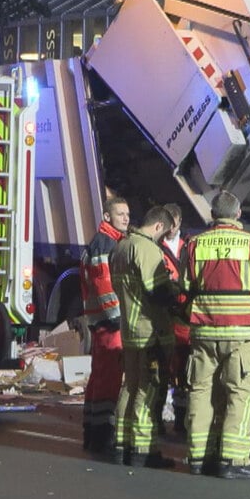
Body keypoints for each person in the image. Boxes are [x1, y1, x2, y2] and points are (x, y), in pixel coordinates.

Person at [181, 190, 250, 480]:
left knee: (201, 392)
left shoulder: (194, 244)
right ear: (238, 214)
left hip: (203, 329)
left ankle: (198, 456)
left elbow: (185, 286)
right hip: (241, 332)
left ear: (213, 215)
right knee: (239, 393)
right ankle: (234, 459)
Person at [111, 206, 180, 467]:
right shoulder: (148, 248)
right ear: (159, 227)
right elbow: (158, 292)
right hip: (150, 331)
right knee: (148, 389)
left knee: (129, 387)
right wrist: (177, 291)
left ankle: (122, 443)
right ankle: (142, 449)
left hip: (129, 330)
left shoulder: (120, 247)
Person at [80, 196, 131, 454]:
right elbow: (103, 284)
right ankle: (102, 435)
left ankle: (92, 430)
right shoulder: (106, 243)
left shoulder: (105, 241)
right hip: (109, 322)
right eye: (120, 214)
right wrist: (115, 318)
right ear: (107, 216)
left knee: (99, 376)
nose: (126, 218)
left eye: (127, 214)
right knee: (109, 377)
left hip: (100, 320)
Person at [160, 202, 190, 435]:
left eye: (175, 221)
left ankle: (181, 419)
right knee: (164, 370)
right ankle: (159, 417)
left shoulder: (188, 247)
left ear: (179, 222)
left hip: (186, 318)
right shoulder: (155, 247)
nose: (171, 226)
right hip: (166, 316)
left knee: (184, 372)